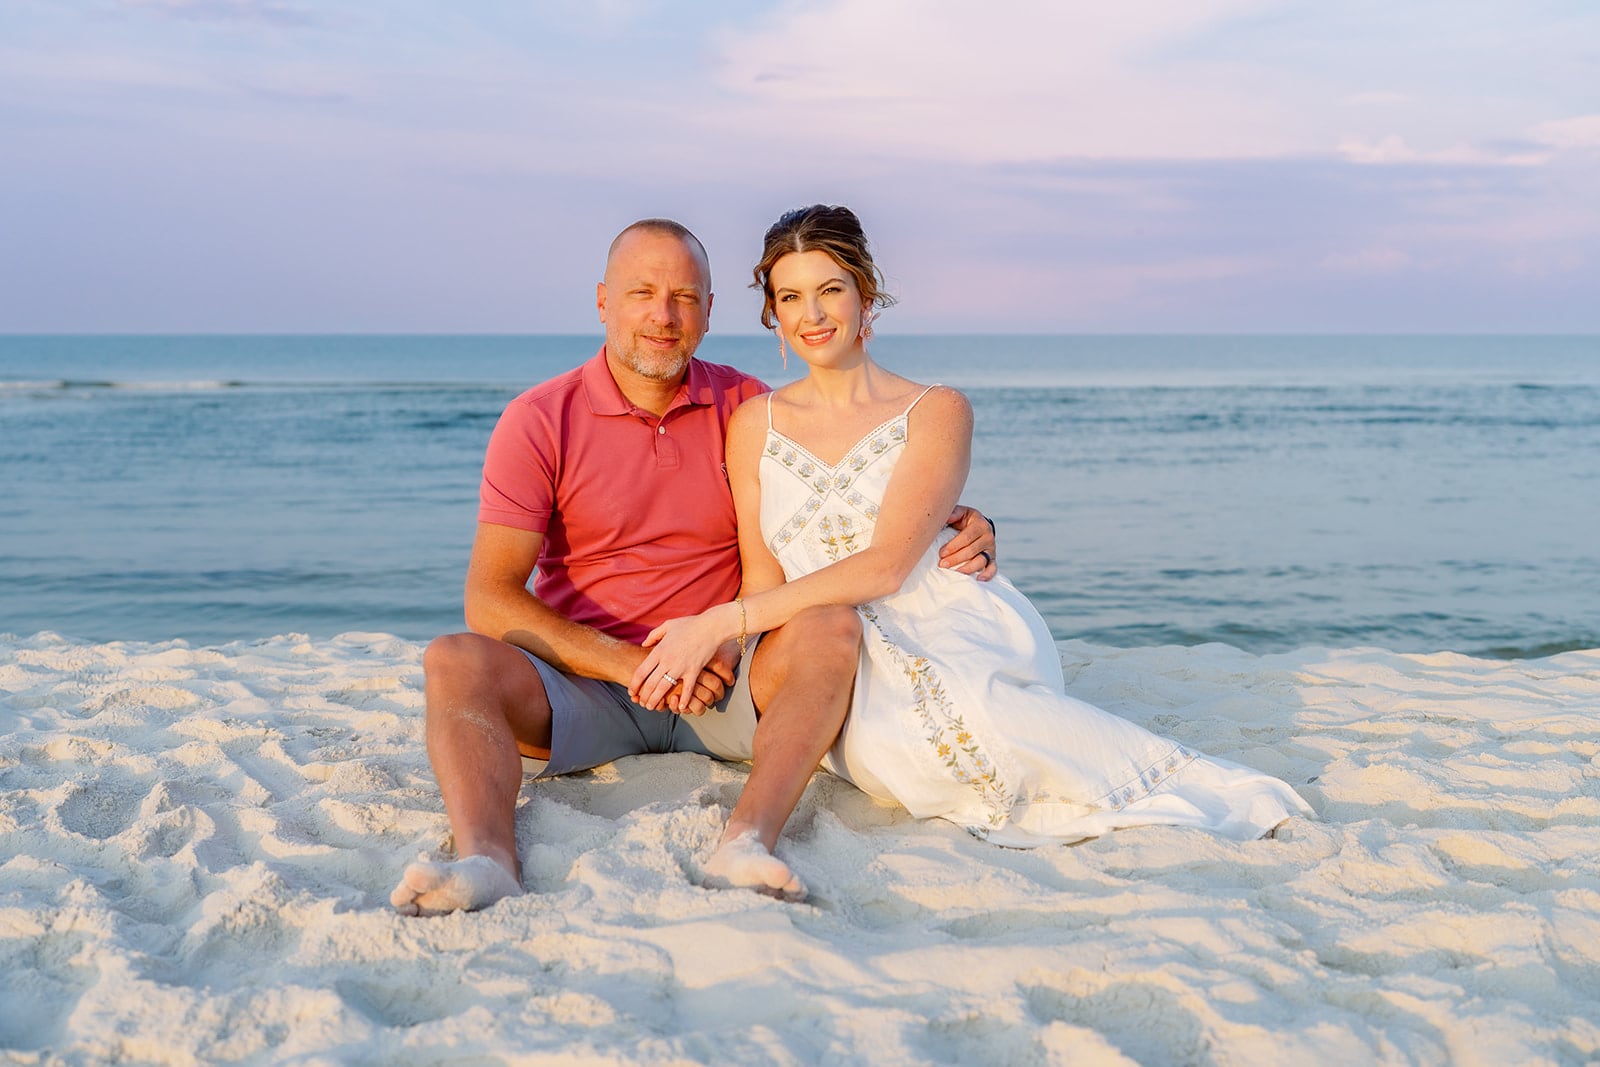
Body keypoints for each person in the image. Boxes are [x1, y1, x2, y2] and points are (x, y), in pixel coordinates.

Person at [632, 205, 1312, 853]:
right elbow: (765, 575)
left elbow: (888, 567)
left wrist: (719, 619)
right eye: (789, 297)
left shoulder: (936, 410)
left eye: (830, 290)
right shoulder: (755, 424)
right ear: (772, 314)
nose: (811, 315)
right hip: (826, 643)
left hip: (943, 614)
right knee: (896, 749)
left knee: (990, 717)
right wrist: (722, 648)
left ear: (866, 296)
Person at [390, 218, 998, 914]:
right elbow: (491, 596)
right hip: (587, 686)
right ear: (602, 301)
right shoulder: (537, 420)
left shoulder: (749, 407)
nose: (662, 315)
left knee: (831, 626)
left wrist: (961, 520)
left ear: (709, 311)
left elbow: (854, 489)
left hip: (729, 681)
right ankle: (487, 859)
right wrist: (633, 664)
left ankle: (748, 841)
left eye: (684, 295)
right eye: (642, 292)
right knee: (455, 658)